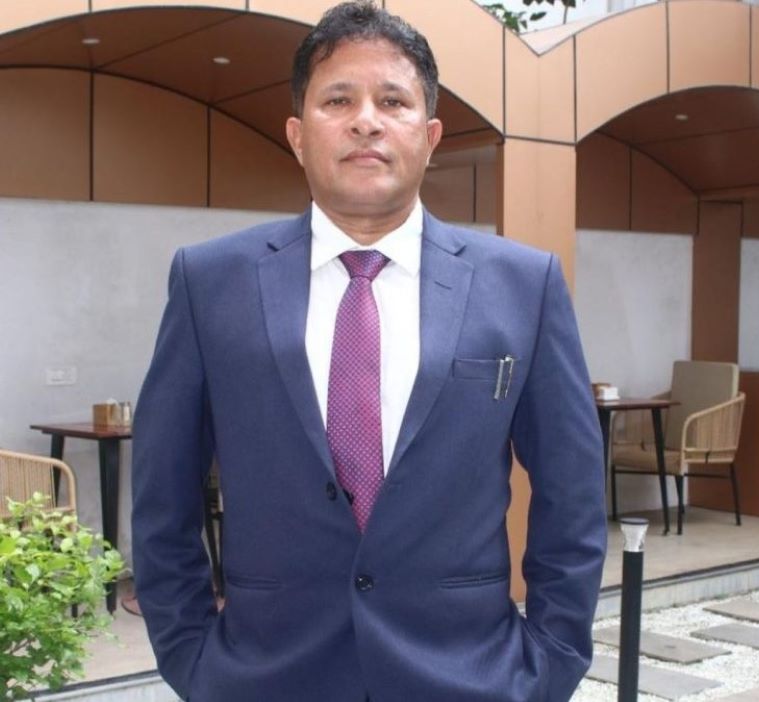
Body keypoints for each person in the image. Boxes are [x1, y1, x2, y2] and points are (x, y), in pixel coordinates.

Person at [131, 2, 607, 701]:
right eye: (337, 100)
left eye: (393, 101)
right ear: (298, 135)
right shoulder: (209, 282)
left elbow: (573, 492)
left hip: (470, 678)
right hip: (265, 678)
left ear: (430, 135)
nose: (366, 121)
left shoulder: (522, 285)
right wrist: (193, 659)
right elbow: (162, 494)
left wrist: (552, 658)